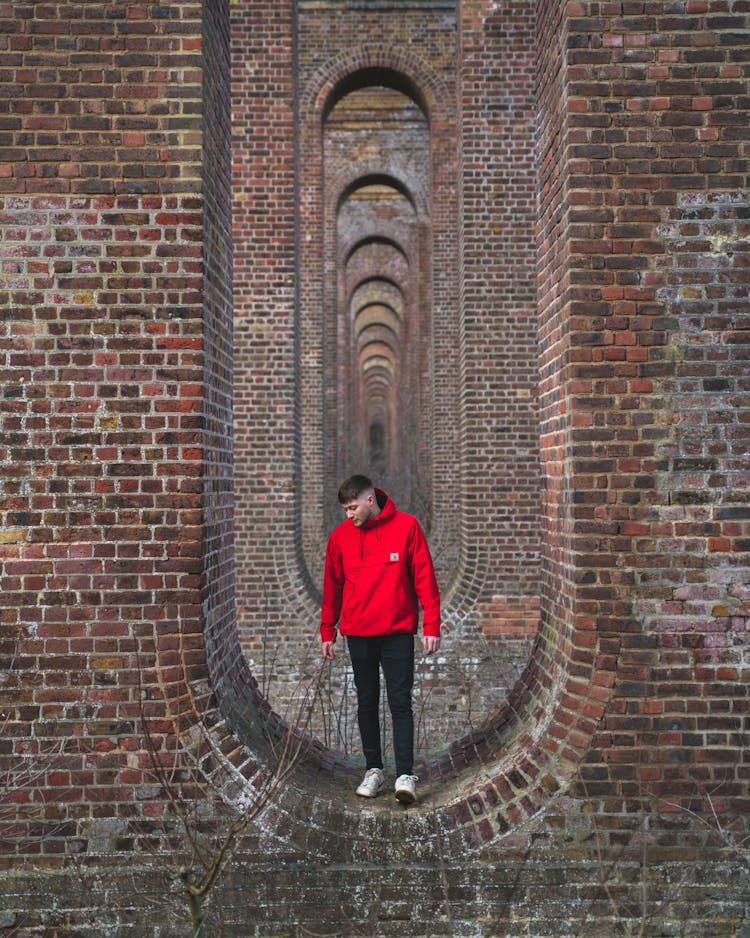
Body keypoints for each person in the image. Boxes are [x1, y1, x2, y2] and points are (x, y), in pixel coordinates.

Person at [320, 474, 441, 805]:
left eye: (353, 507)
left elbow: (424, 576)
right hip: (358, 633)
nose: (349, 515)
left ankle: (404, 775)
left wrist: (432, 623)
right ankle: (373, 769)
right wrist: (327, 629)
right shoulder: (340, 538)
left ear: (370, 500)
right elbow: (332, 586)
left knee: (400, 701)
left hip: (397, 632)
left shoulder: (407, 527)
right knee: (366, 701)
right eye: (345, 509)